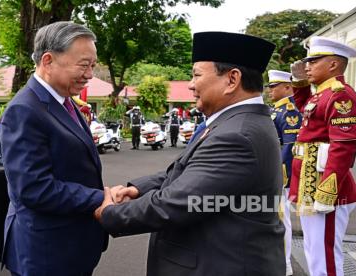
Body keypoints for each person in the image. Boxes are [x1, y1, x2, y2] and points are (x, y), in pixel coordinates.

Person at [94, 32, 285, 275]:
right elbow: (188, 171)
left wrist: (112, 214)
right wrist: (138, 189)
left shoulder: (237, 134)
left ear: (232, 80)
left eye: (196, 75)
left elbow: (179, 202)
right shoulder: (235, 123)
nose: (191, 84)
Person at [0, 22, 107, 276]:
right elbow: (34, 189)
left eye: (92, 65)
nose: (90, 74)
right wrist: (101, 198)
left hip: (71, 246)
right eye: (84, 64)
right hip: (46, 254)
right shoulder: (24, 110)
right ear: (48, 60)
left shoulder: (65, 102)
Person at [289, 36, 356, 276]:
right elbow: (307, 111)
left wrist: (327, 192)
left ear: (333, 64)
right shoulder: (321, 93)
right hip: (310, 183)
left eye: (314, 60)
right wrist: (299, 84)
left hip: (325, 186)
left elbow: (343, 146)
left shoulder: (341, 95)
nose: (307, 66)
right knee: (314, 250)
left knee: (325, 256)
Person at [267, 69, 302, 276]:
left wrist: (281, 176)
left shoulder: (289, 111)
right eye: (270, 86)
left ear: (288, 87)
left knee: (281, 218)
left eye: (274, 86)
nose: (270, 90)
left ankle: (285, 263)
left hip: (281, 174)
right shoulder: (276, 110)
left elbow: (289, 147)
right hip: (272, 170)